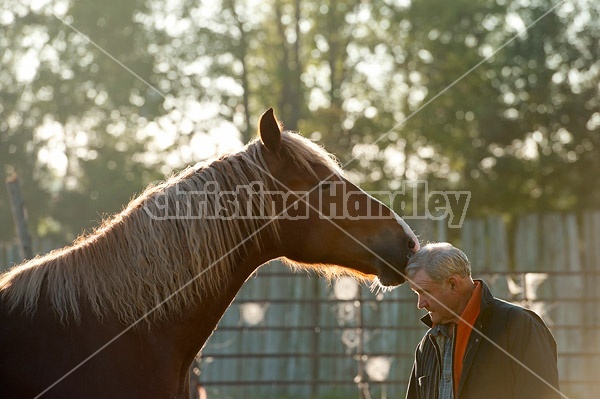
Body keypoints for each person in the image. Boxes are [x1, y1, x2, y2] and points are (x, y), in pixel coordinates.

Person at [405, 242, 560, 399]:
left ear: (453, 284)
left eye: (425, 292)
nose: (420, 304)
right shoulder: (428, 344)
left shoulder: (518, 325)